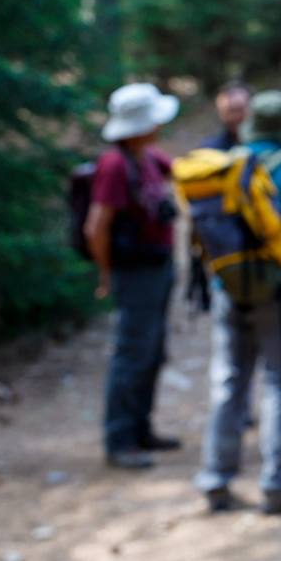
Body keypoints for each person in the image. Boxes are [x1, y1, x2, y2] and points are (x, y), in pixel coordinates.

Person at [194, 91, 281, 514]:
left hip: (229, 288)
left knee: (229, 382)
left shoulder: (228, 163)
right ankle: (278, 485)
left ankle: (215, 479)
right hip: (280, 290)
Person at [85, 83, 182, 470]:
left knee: (152, 351)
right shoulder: (114, 165)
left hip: (158, 266)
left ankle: (141, 429)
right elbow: (97, 226)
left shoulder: (148, 157)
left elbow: (183, 173)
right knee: (132, 354)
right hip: (135, 272)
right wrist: (106, 274)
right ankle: (120, 440)